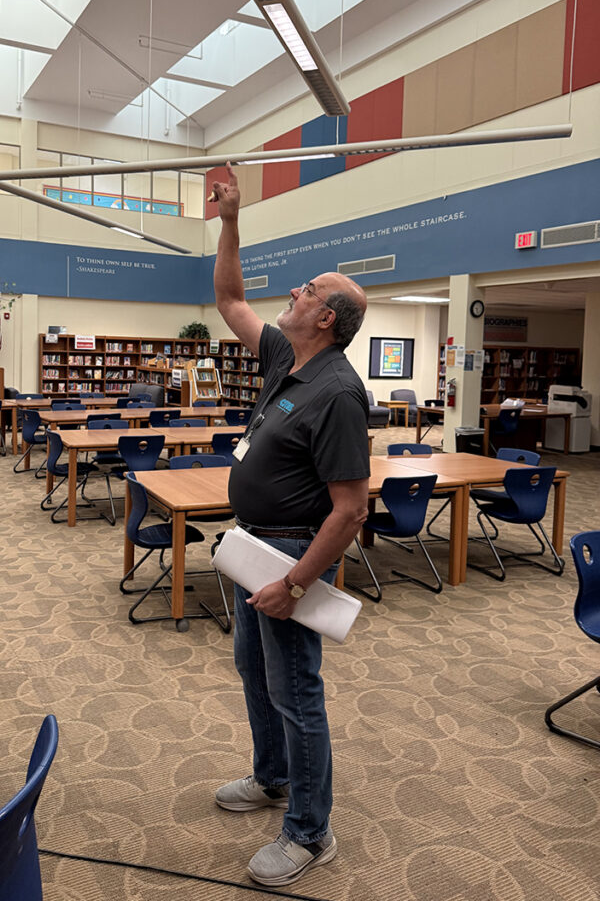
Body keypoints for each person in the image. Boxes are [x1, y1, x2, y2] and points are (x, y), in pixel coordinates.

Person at [211, 162, 371, 888]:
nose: (293, 294)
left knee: (297, 690)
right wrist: (231, 221)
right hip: (254, 549)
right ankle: (272, 777)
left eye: (305, 290)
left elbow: (350, 509)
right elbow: (230, 297)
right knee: (255, 671)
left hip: (291, 558)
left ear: (326, 317)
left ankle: (311, 832)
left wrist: (297, 583)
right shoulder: (286, 358)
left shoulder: (337, 392)